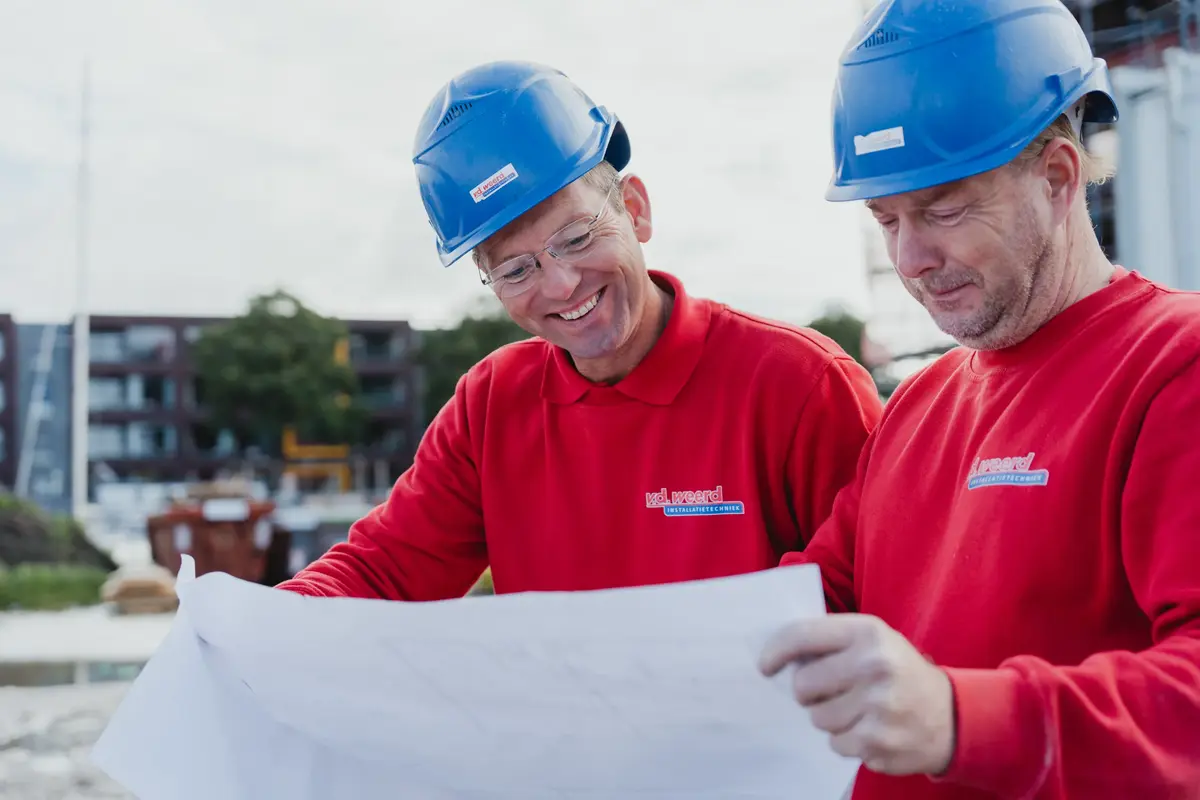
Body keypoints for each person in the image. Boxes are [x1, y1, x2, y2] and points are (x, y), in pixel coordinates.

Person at [756, 2, 1200, 798]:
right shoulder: (916, 407)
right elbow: (807, 606)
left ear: (1058, 177)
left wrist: (959, 717)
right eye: (886, 219)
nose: (912, 258)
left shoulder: (1174, 366)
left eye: (944, 210)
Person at [276, 61, 882, 600]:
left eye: (577, 237)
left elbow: (876, 589)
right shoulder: (489, 407)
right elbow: (384, 570)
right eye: (516, 269)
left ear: (635, 211)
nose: (562, 285)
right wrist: (266, 620)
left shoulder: (801, 386)